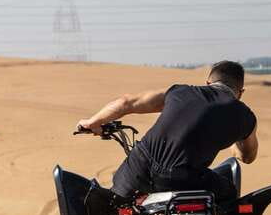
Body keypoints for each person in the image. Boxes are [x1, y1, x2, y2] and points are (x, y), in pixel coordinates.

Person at [76, 60, 258, 201]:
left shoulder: (180, 92)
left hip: (139, 168)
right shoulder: (245, 116)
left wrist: (93, 122)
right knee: (228, 193)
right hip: (185, 180)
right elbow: (247, 157)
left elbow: (126, 103)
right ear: (240, 92)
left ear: (208, 82)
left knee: (115, 205)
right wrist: (236, 140)